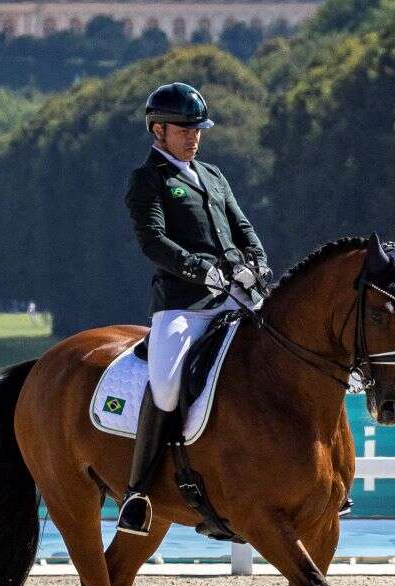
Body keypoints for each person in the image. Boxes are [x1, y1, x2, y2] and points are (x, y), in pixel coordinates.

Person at [119, 81, 270, 536]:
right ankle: (138, 492)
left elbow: (243, 227)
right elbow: (152, 240)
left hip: (237, 293)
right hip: (183, 304)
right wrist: (198, 269)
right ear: (158, 129)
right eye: (184, 128)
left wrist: (258, 263)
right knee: (166, 387)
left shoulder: (214, 175)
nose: (194, 136)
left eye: (197, 128)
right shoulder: (148, 179)